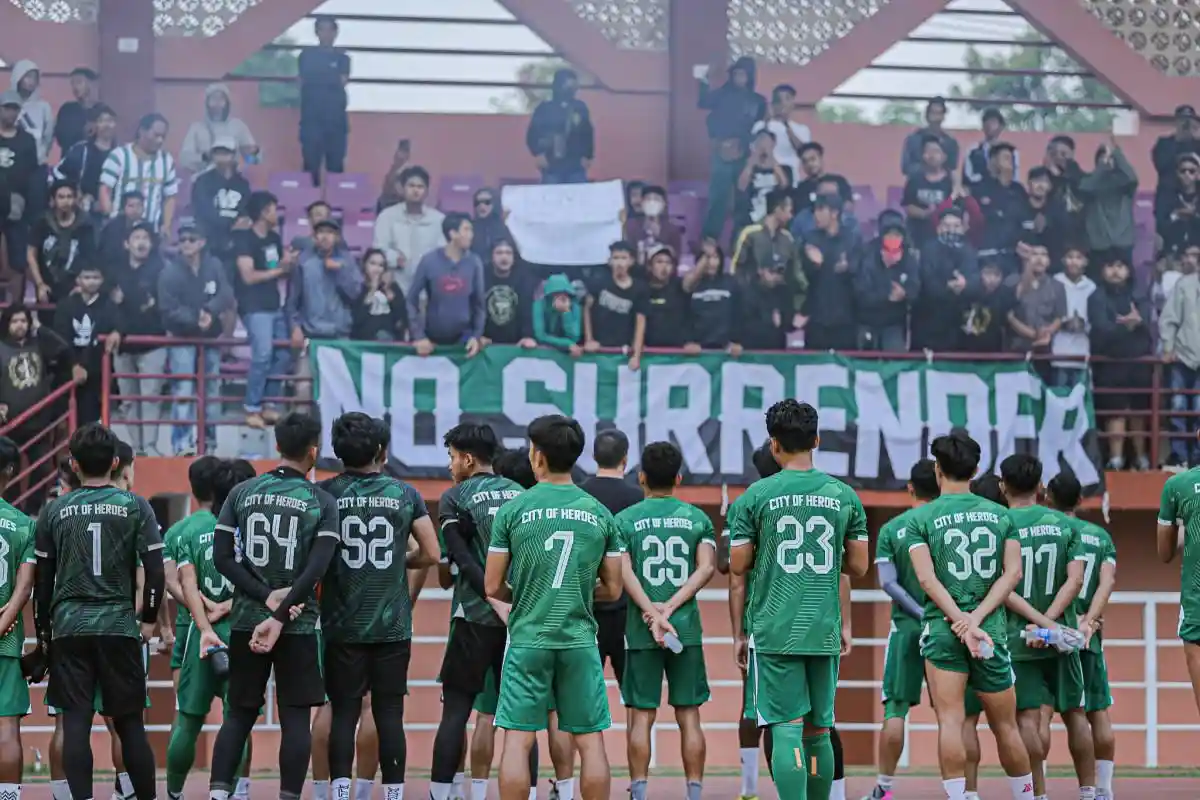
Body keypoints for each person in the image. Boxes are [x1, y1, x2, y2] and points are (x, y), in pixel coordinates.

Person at [728, 399, 869, 798]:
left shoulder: (754, 496)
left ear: (774, 445)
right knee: (819, 730)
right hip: (823, 628)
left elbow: (738, 563)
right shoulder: (844, 496)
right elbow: (859, 566)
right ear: (817, 440)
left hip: (774, 629)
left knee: (785, 729)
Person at [484, 415, 624, 800]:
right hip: (579, 641)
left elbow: (492, 585)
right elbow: (613, 588)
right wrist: (577, 594)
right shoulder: (599, 512)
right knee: (590, 742)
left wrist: (531, 594)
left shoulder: (513, 510)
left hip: (528, 640)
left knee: (517, 740)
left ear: (538, 456)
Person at [205, 412, 339, 800]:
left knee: (238, 715)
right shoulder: (321, 501)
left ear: (277, 446)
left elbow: (222, 558)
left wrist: (264, 597)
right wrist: (282, 607)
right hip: (298, 623)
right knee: (295, 718)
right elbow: (317, 568)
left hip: (247, 620)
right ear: (314, 451)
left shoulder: (241, 492)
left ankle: (217, 794)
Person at [32, 422, 164, 800]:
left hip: (69, 628)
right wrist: (149, 619)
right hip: (119, 626)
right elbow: (155, 572)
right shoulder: (135, 506)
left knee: (75, 724)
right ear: (116, 462)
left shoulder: (54, 511)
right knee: (130, 725)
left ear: (73, 464)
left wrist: (43, 638)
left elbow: (43, 584)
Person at [904, 432, 1035, 800]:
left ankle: (959, 796)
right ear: (976, 471)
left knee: (950, 720)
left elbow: (927, 579)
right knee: (1006, 726)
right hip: (990, 630)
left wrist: (961, 622)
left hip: (943, 630)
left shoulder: (919, 518)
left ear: (937, 469)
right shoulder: (1002, 516)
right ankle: (1026, 796)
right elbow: (1013, 574)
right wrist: (976, 619)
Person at [319, 413, 440, 800]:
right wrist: (397, 560)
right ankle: (393, 794)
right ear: (381, 450)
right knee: (389, 714)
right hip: (392, 624)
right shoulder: (405, 494)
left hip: (341, 623)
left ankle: (339, 793)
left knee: (343, 712)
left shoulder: (324, 493)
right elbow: (432, 553)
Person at [431, 423, 529, 800]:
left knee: (456, 713)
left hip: (472, 617)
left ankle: (440, 794)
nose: (450, 465)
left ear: (468, 459)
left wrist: (490, 597)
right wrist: (510, 601)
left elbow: (456, 560)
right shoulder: (522, 495)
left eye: (452, 457)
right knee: (521, 719)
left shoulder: (455, 498)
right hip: (518, 620)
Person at [617, 441, 715, 800]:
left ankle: (639, 793)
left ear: (641, 477)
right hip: (684, 629)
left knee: (642, 715)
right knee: (689, 714)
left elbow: (623, 571)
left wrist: (653, 612)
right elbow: (707, 567)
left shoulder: (624, 520)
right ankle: (694, 794)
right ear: (678, 478)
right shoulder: (698, 519)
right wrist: (670, 609)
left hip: (641, 629)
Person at [999, 454, 1094, 800]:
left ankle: (1037, 795)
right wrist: (1051, 625)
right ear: (1041, 487)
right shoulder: (1066, 525)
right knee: (1077, 715)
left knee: (1027, 718)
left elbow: (1003, 586)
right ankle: (1090, 793)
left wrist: (1038, 625)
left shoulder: (1000, 524)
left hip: (1017, 637)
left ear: (1003, 486)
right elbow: (1076, 580)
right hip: (1063, 637)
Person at [166, 457, 257, 800]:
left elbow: (180, 582)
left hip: (198, 633)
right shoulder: (253, 530)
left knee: (187, 719)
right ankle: (233, 792)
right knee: (238, 719)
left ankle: (173, 793)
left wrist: (204, 614)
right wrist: (229, 606)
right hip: (243, 629)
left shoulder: (188, 530)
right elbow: (263, 582)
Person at [863, 458, 940, 800]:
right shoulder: (948, 525)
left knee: (895, 710)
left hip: (906, 628)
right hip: (949, 627)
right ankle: (963, 790)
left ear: (910, 488)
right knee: (954, 717)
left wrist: (919, 612)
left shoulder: (892, 529)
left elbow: (888, 583)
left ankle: (884, 789)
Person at [1047, 472, 1118, 800]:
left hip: (1047, 632)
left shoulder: (1047, 530)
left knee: (1038, 713)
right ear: (1079, 500)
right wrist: (1089, 622)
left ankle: (1035, 791)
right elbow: (1107, 582)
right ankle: (1101, 790)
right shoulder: (1099, 536)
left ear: (1048, 497)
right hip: (1086, 636)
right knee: (1096, 710)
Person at [159, 222, 236, 455]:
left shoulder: (214, 265)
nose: (186, 244)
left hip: (210, 339)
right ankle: (182, 444)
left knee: (211, 391)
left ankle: (209, 442)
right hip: (182, 338)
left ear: (202, 242)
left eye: (191, 239)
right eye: (182, 240)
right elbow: (167, 308)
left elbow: (226, 294)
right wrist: (196, 318)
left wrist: (209, 312)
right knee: (183, 389)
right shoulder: (169, 272)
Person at [579, 430, 643, 685]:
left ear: (594, 457)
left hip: (586, 606)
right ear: (625, 459)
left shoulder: (579, 496)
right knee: (636, 695)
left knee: (581, 691)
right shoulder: (638, 498)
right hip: (627, 609)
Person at [233, 191, 298, 430]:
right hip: (253, 306)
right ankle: (251, 407)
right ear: (262, 212)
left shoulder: (274, 238)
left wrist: (287, 263)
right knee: (262, 354)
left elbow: (276, 268)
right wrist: (279, 270)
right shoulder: (244, 239)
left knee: (284, 354)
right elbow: (248, 276)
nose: (276, 213)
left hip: (273, 304)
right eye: (273, 208)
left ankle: (270, 403)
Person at [1088, 254, 1153, 470]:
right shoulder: (1096, 297)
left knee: (1138, 413)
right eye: (1110, 265)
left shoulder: (1139, 296)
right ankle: (1116, 460)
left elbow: (1147, 326)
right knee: (1114, 412)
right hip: (1109, 364)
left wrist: (1136, 323)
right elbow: (1101, 329)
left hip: (1137, 364)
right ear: (1102, 270)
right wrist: (1128, 326)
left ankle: (1141, 459)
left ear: (1128, 270)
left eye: (1120, 266)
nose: (1115, 271)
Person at [111, 221, 168, 456]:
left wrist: (127, 298)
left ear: (152, 243)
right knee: (128, 400)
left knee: (151, 397)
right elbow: (112, 305)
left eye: (145, 238)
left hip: (153, 344)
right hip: (123, 346)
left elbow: (155, 307)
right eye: (136, 238)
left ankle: (151, 446)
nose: (141, 243)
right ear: (127, 244)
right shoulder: (116, 271)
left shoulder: (161, 269)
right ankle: (137, 448)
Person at [698, 57, 766, 238]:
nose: (739, 78)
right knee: (718, 200)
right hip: (722, 152)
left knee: (744, 201)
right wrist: (703, 80)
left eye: (742, 74)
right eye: (736, 74)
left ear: (749, 76)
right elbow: (703, 102)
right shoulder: (722, 94)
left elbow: (761, 130)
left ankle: (741, 242)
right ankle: (709, 241)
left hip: (745, 154)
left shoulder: (758, 101)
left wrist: (751, 156)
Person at [0, 436, 33, 799]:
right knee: (7, 726)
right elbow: (24, 589)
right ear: (9, 471)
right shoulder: (23, 524)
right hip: (6, 640)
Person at [407, 213, 486, 357]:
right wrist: (418, 335)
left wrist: (476, 336)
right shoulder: (429, 261)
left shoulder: (475, 262)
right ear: (453, 233)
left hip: (464, 340)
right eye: (466, 230)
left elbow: (479, 304)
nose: (471, 235)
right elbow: (411, 300)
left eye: (471, 230)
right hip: (432, 340)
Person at [52, 263, 117, 425]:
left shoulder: (108, 305)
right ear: (78, 280)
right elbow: (61, 339)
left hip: (95, 374)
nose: (91, 281)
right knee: (66, 421)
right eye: (87, 277)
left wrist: (118, 331)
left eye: (96, 277)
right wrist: (74, 365)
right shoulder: (65, 305)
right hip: (68, 371)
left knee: (91, 421)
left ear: (102, 280)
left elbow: (119, 323)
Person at [98, 112, 179, 234]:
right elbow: (105, 189)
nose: (160, 140)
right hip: (120, 229)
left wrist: (166, 225)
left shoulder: (166, 160)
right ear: (142, 131)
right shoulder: (119, 155)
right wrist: (110, 218)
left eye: (163, 137)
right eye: (156, 135)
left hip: (150, 231)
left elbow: (170, 197)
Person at [373, 166, 446, 297]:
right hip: (395, 287)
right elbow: (378, 248)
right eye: (411, 186)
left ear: (427, 191)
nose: (415, 190)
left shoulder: (438, 220)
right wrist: (394, 258)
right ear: (402, 189)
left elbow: (444, 252)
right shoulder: (387, 216)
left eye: (420, 187)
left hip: (429, 288)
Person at [801, 193, 859, 351]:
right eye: (815, 210)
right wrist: (814, 265)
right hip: (817, 319)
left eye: (821, 209)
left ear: (834, 213)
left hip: (845, 319)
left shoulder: (851, 239)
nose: (816, 215)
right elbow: (802, 277)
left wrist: (848, 268)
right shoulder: (810, 239)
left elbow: (860, 274)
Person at [853, 217, 919, 352]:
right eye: (890, 234)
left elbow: (915, 289)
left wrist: (904, 294)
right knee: (865, 362)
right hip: (868, 322)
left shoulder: (909, 259)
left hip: (894, 324)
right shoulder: (868, 256)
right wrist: (887, 296)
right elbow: (861, 292)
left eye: (897, 235)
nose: (893, 239)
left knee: (895, 360)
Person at [299, 15, 351, 185]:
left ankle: (336, 201)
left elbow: (342, 81)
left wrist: (318, 76)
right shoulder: (306, 55)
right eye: (322, 29)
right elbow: (303, 80)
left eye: (330, 30)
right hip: (311, 120)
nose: (326, 34)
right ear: (316, 32)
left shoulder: (343, 58)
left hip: (336, 121)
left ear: (335, 33)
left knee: (336, 168)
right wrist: (330, 77)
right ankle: (308, 200)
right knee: (310, 167)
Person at [27, 179, 96, 307]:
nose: (66, 201)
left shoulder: (85, 224)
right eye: (61, 197)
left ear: (75, 199)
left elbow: (90, 258)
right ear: (53, 200)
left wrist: (82, 285)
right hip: (46, 285)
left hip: (75, 287)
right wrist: (40, 284)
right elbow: (31, 253)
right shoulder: (42, 222)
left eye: (69, 197)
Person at [1161, 250, 1200, 467]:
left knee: (1199, 409)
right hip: (1182, 356)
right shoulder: (1184, 284)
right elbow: (1169, 318)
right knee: (1178, 406)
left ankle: (1197, 458)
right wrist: (1168, 347)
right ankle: (1180, 456)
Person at [0, 90, 38, 302]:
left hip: (17, 205)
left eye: (15, 109)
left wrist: (30, 208)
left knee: (18, 260)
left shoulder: (27, 140)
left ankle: (15, 310)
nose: (11, 113)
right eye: (7, 108)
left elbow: (33, 175)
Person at [190, 137, 252, 267]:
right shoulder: (202, 181)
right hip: (209, 237)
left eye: (225, 152)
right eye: (217, 152)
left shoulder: (242, 184)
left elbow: (245, 210)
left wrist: (238, 224)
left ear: (233, 155)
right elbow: (204, 211)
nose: (221, 156)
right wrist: (230, 225)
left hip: (235, 239)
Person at [526, 69, 594, 185]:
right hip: (551, 164)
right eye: (567, 85)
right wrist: (539, 154)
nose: (571, 89)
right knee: (551, 194)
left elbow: (587, 133)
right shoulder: (544, 108)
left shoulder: (580, 107)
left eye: (573, 86)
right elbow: (533, 133)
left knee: (578, 194)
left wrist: (587, 156)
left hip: (576, 165)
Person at [629, 244, 690, 369]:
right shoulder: (641, 289)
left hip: (677, 355)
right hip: (648, 355)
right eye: (659, 262)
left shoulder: (679, 287)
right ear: (650, 266)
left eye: (668, 263)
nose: (664, 266)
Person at [53, 103, 116, 221]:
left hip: (112, 217)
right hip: (83, 217)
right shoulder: (81, 150)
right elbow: (58, 173)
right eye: (102, 121)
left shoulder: (121, 154)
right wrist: (76, 193)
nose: (107, 125)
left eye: (110, 121)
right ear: (94, 124)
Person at [180, 83, 258, 173]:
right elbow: (184, 159)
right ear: (207, 103)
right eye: (214, 99)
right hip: (203, 177)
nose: (217, 102)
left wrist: (249, 158)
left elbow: (255, 157)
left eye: (221, 99)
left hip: (232, 177)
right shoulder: (197, 128)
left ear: (227, 103)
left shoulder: (238, 126)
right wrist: (205, 157)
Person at [583, 241, 642, 352]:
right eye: (616, 258)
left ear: (631, 261)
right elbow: (586, 309)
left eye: (624, 258)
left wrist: (636, 348)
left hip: (625, 348)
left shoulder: (639, 288)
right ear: (609, 261)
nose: (619, 263)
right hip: (599, 347)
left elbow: (640, 319)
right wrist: (589, 339)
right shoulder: (598, 283)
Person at [903, 135, 955, 251]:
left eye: (936, 151)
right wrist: (926, 214)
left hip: (944, 233)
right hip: (917, 232)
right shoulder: (914, 179)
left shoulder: (951, 181)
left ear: (944, 156)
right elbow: (908, 206)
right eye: (928, 151)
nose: (932, 155)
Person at [481, 238, 536, 348]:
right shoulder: (481, 277)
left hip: (515, 343)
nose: (504, 257)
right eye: (499, 253)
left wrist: (527, 336)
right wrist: (478, 335)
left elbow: (526, 310)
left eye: (508, 253)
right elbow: (476, 309)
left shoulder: (524, 279)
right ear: (492, 256)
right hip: (486, 341)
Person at [352, 248, 408, 342]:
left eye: (381, 265)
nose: (376, 269)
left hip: (390, 341)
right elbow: (357, 319)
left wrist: (388, 290)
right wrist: (372, 289)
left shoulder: (392, 287)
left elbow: (402, 318)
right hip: (365, 342)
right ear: (365, 265)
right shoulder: (358, 288)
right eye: (372, 263)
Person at [901, 97, 960, 179]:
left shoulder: (950, 143)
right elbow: (906, 167)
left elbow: (952, 168)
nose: (936, 117)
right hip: (917, 183)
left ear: (943, 116)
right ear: (927, 115)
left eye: (939, 113)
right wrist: (928, 168)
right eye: (933, 113)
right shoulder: (913, 140)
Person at [624, 185, 683, 265]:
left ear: (664, 204)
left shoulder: (672, 229)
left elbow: (676, 257)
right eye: (648, 199)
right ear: (642, 203)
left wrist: (658, 236)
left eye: (656, 199)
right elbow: (627, 251)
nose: (652, 203)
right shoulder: (631, 226)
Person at [10, 60, 52, 166]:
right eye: (28, 76)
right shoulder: (6, 104)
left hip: (36, 163)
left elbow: (48, 137)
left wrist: (41, 154)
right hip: (10, 162)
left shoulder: (44, 107)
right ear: (18, 77)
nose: (31, 81)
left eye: (35, 78)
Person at [963, 108, 1016, 187]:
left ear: (1001, 127)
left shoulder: (1010, 151)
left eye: (993, 122)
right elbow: (968, 177)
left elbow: (1014, 177)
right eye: (986, 122)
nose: (989, 126)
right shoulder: (973, 151)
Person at [54, 67, 99, 154]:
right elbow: (61, 138)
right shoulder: (67, 110)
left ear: (91, 83)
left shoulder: (102, 110)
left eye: (79, 82)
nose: (75, 87)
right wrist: (83, 131)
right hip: (71, 158)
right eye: (72, 83)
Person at [533, 273, 582, 354]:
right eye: (556, 294)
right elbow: (540, 335)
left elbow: (574, 337)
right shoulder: (539, 305)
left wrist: (566, 312)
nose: (561, 297)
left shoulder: (574, 307)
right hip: (541, 350)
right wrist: (567, 343)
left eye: (565, 294)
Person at [469, 187, 513, 262]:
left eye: (487, 202)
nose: (481, 206)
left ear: (495, 203)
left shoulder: (504, 229)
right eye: (477, 202)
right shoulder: (469, 228)